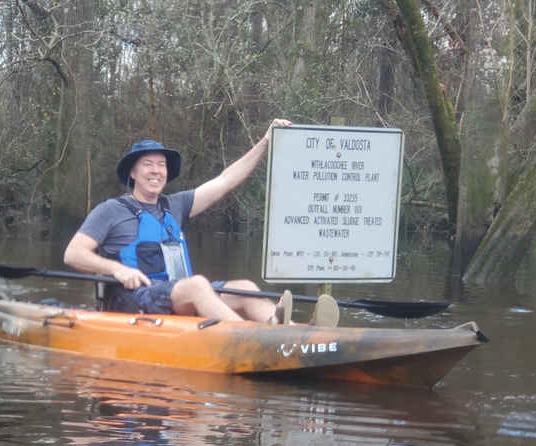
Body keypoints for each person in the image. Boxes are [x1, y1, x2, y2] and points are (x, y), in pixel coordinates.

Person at [63, 119, 339, 326]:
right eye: (147, 164)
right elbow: (73, 254)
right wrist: (116, 269)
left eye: (161, 165)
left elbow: (225, 181)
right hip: (135, 302)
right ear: (133, 172)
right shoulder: (111, 210)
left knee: (244, 288)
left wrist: (265, 142)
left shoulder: (175, 205)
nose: (156, 171)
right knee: (197, 285)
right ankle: (250, 338)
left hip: (177, 298)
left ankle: (290, 331)